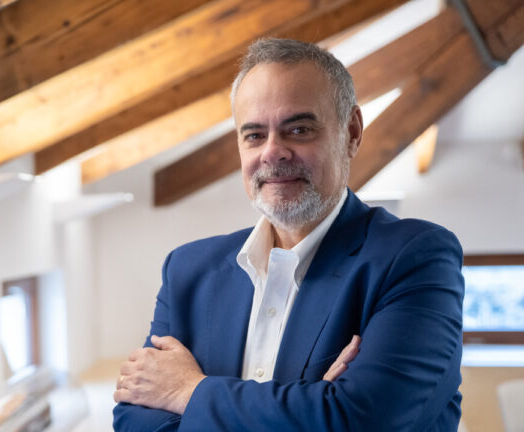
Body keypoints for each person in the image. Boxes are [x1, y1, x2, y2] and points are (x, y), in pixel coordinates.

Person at [112, 38, 464, 431]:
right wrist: (311, 409)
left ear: (351, 132)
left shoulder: (414, 257)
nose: (273, 152)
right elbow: (135, 418)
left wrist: (188, 392)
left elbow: (360, 420)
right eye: (254, 135)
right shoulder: (187, 271)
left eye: (298, 129)